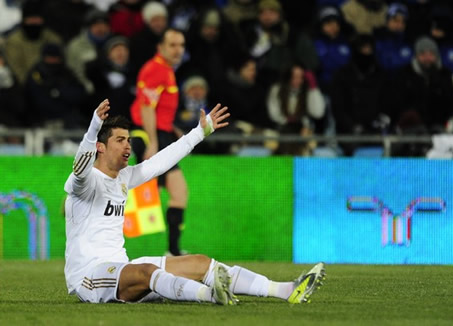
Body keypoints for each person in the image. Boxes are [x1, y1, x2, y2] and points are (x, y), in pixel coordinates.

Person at [64, 98, 326, 304]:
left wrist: (199, 132)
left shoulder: (125, 177)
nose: (128, 146)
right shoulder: (85, 183)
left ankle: (286, 289)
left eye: (129, 140)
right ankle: (212, 296)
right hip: (89, 276)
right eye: (120, 140)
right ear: (100, 147)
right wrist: (93, 130)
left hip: (120, 267)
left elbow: (162, 160)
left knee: (200, 263)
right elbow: (79, 171)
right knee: (146, 272)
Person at [129, 28, 188, 256]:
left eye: (181, 45)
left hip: (161, 134)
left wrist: (172, 129)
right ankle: (173, 251)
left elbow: (157, 108)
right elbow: (145, 106)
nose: (178, 50)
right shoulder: (156, 70)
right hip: (150, 135)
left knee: (176, 193)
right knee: (177, 192)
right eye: (173, 45)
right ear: (160, 47)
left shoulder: (166, 71)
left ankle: (173, 251)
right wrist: (153, 142)